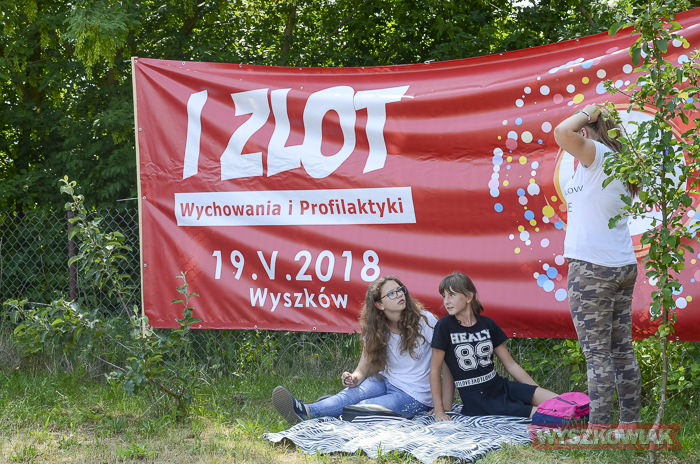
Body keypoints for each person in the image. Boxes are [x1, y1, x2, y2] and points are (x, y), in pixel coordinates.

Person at [553, 104, 642, 427]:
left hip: (592, 269)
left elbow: (561, 132)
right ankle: (629, 425)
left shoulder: (597, 154)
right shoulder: (614, 160)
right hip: (620, 264)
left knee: (598, 354)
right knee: (621, 350)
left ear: (585, 132)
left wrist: (588, 111)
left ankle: (599, 429)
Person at [272, 276, 438, 424]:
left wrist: (441, 405)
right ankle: (305, 411)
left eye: (400, 290)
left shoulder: (425, 320)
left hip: (415, 395)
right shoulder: (377, 328)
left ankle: (330, 411)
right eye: (392, 293)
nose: (400, 294)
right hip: (386, 380)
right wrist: (353, 378)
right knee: (347, 397)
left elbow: (444, 360)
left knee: (360, 410)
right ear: (379, 305)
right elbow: (362, 369)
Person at [430, 272, 557, 421]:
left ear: (469, 297)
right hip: (480, 401)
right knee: (552, 414)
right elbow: (435, 370)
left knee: (562, 403)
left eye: (452, 295)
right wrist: (440, 411)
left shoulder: (487, 324)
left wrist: (533, 390)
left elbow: (511, 365)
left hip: (500, 386)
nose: (446, 301)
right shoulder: (444, 326)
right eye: (444, 296)